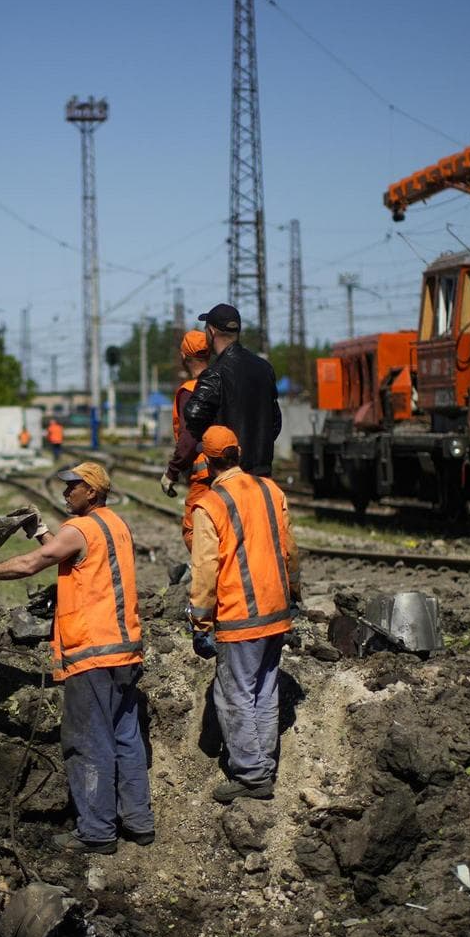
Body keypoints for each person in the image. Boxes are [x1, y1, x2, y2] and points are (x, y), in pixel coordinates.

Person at [0, 462, 153, 854]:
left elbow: (31, 564)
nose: (66, 493)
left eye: (73, 487)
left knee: (88, 743)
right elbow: (76, 556)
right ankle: (139, 823)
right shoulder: (115, 524)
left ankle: (96, 833)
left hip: (91, 652)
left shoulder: (81, 529)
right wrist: (40, 531)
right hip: (124, 649)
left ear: (91, 493)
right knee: (127, 738)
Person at [188, 425, 300, 803]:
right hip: (276, 610)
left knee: (234, 694)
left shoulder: (211, 504)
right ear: (238, 452)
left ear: (207, 460)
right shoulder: (271, 490)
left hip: (239, 615)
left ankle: (251, 776)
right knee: (265, 690)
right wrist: (293, 594)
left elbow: (205, 569)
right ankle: (263, 766)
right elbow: (289, 549)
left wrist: (200, 621)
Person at [182, 303, 282, 476]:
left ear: (211, 332)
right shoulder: (265, 368)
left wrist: (210, 445)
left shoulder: (214, 373)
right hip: (262, 472)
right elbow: (275, 422)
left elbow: (193, 414)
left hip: (229, 473)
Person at [160, 330, 213, 548]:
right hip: (231, 471)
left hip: (203, 475)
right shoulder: (222, 383)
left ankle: (215, 579)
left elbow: (188, 438)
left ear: (184, 357)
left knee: (195, 533)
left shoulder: (189, 390)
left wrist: (172, 472)